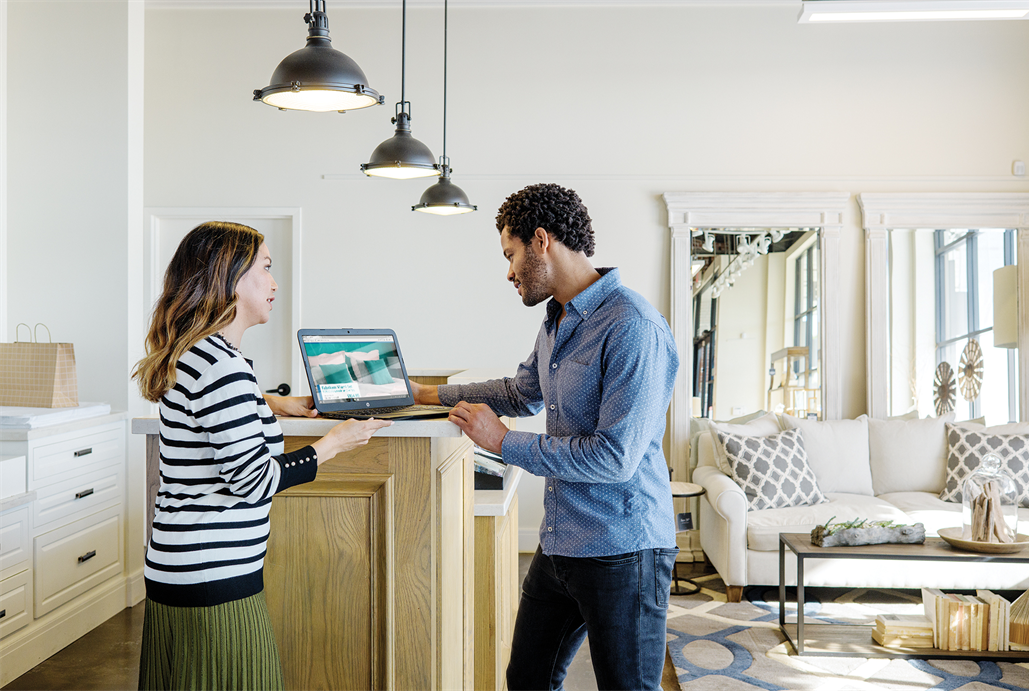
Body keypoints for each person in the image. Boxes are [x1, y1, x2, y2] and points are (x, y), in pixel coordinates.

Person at [411, 183, 680, 691]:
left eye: (511, 255)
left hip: (624, 550)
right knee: (527, 680)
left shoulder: (633, 326)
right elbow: (522, 391)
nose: (508, 272)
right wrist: (429, 394)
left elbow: (614, 458)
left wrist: (503, 442)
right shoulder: (556, 319)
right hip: (561, 544)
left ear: (541, 241)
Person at [132, 221, 391, 690]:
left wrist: (273, 402)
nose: (274, 284)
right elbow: (253, 481)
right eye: (265, 269)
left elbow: (213, 412)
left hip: (183, 568)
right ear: (229, 279)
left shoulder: (200, 354)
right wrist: (333, 444)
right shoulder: (222, 367)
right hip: (212, 575)